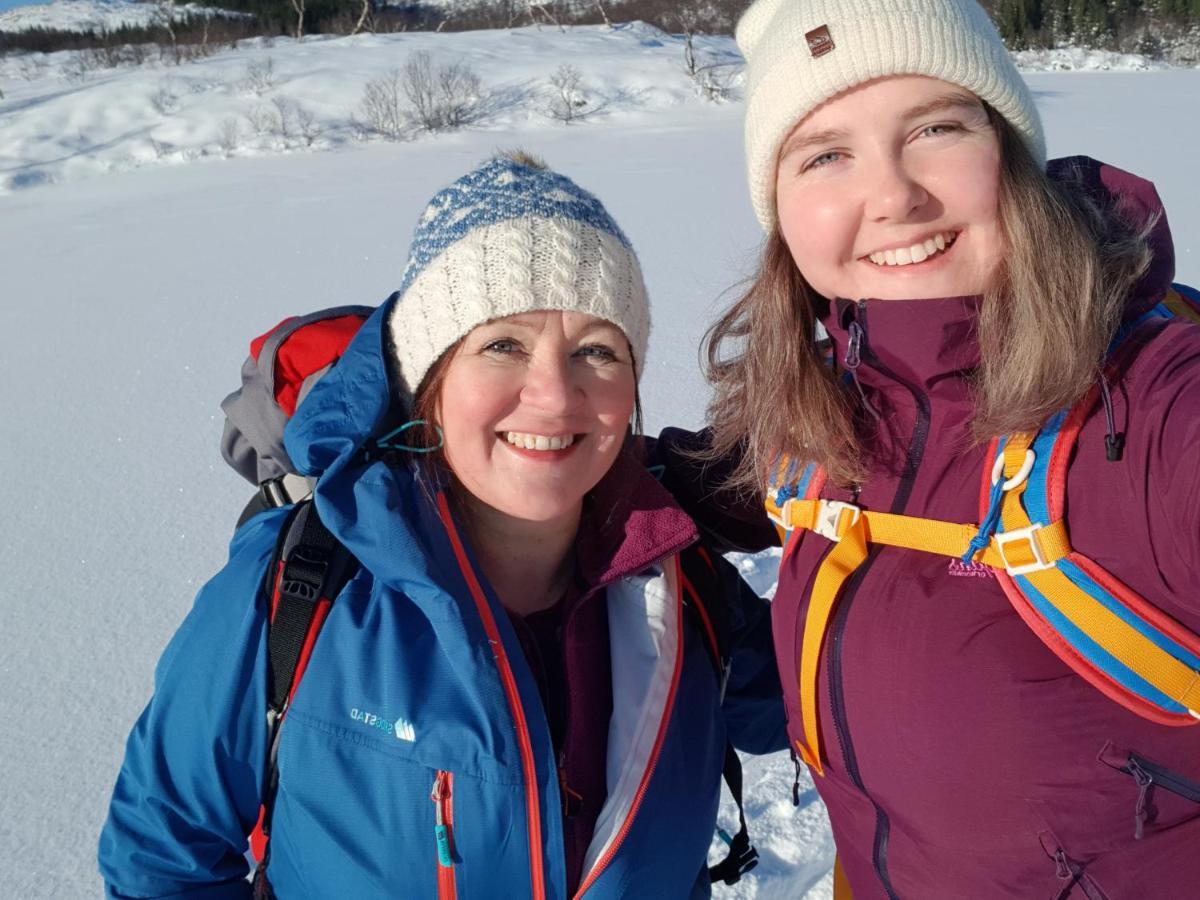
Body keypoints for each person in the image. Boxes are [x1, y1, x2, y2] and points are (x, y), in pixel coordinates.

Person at [99, 152, 786, 899]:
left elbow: (841, 716)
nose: (556, 396)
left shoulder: (686, 589)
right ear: (431, 378)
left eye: (596, 349)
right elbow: (163, 863)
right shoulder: (296, 591)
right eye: (502, 345)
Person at [652, 0, 1200, 896]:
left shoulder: (1145, 414)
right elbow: (716, 480)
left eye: (937, 127)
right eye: (826, 153)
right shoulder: (822, 406)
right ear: (782, 209)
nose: (896, 197)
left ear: (1009, 156)